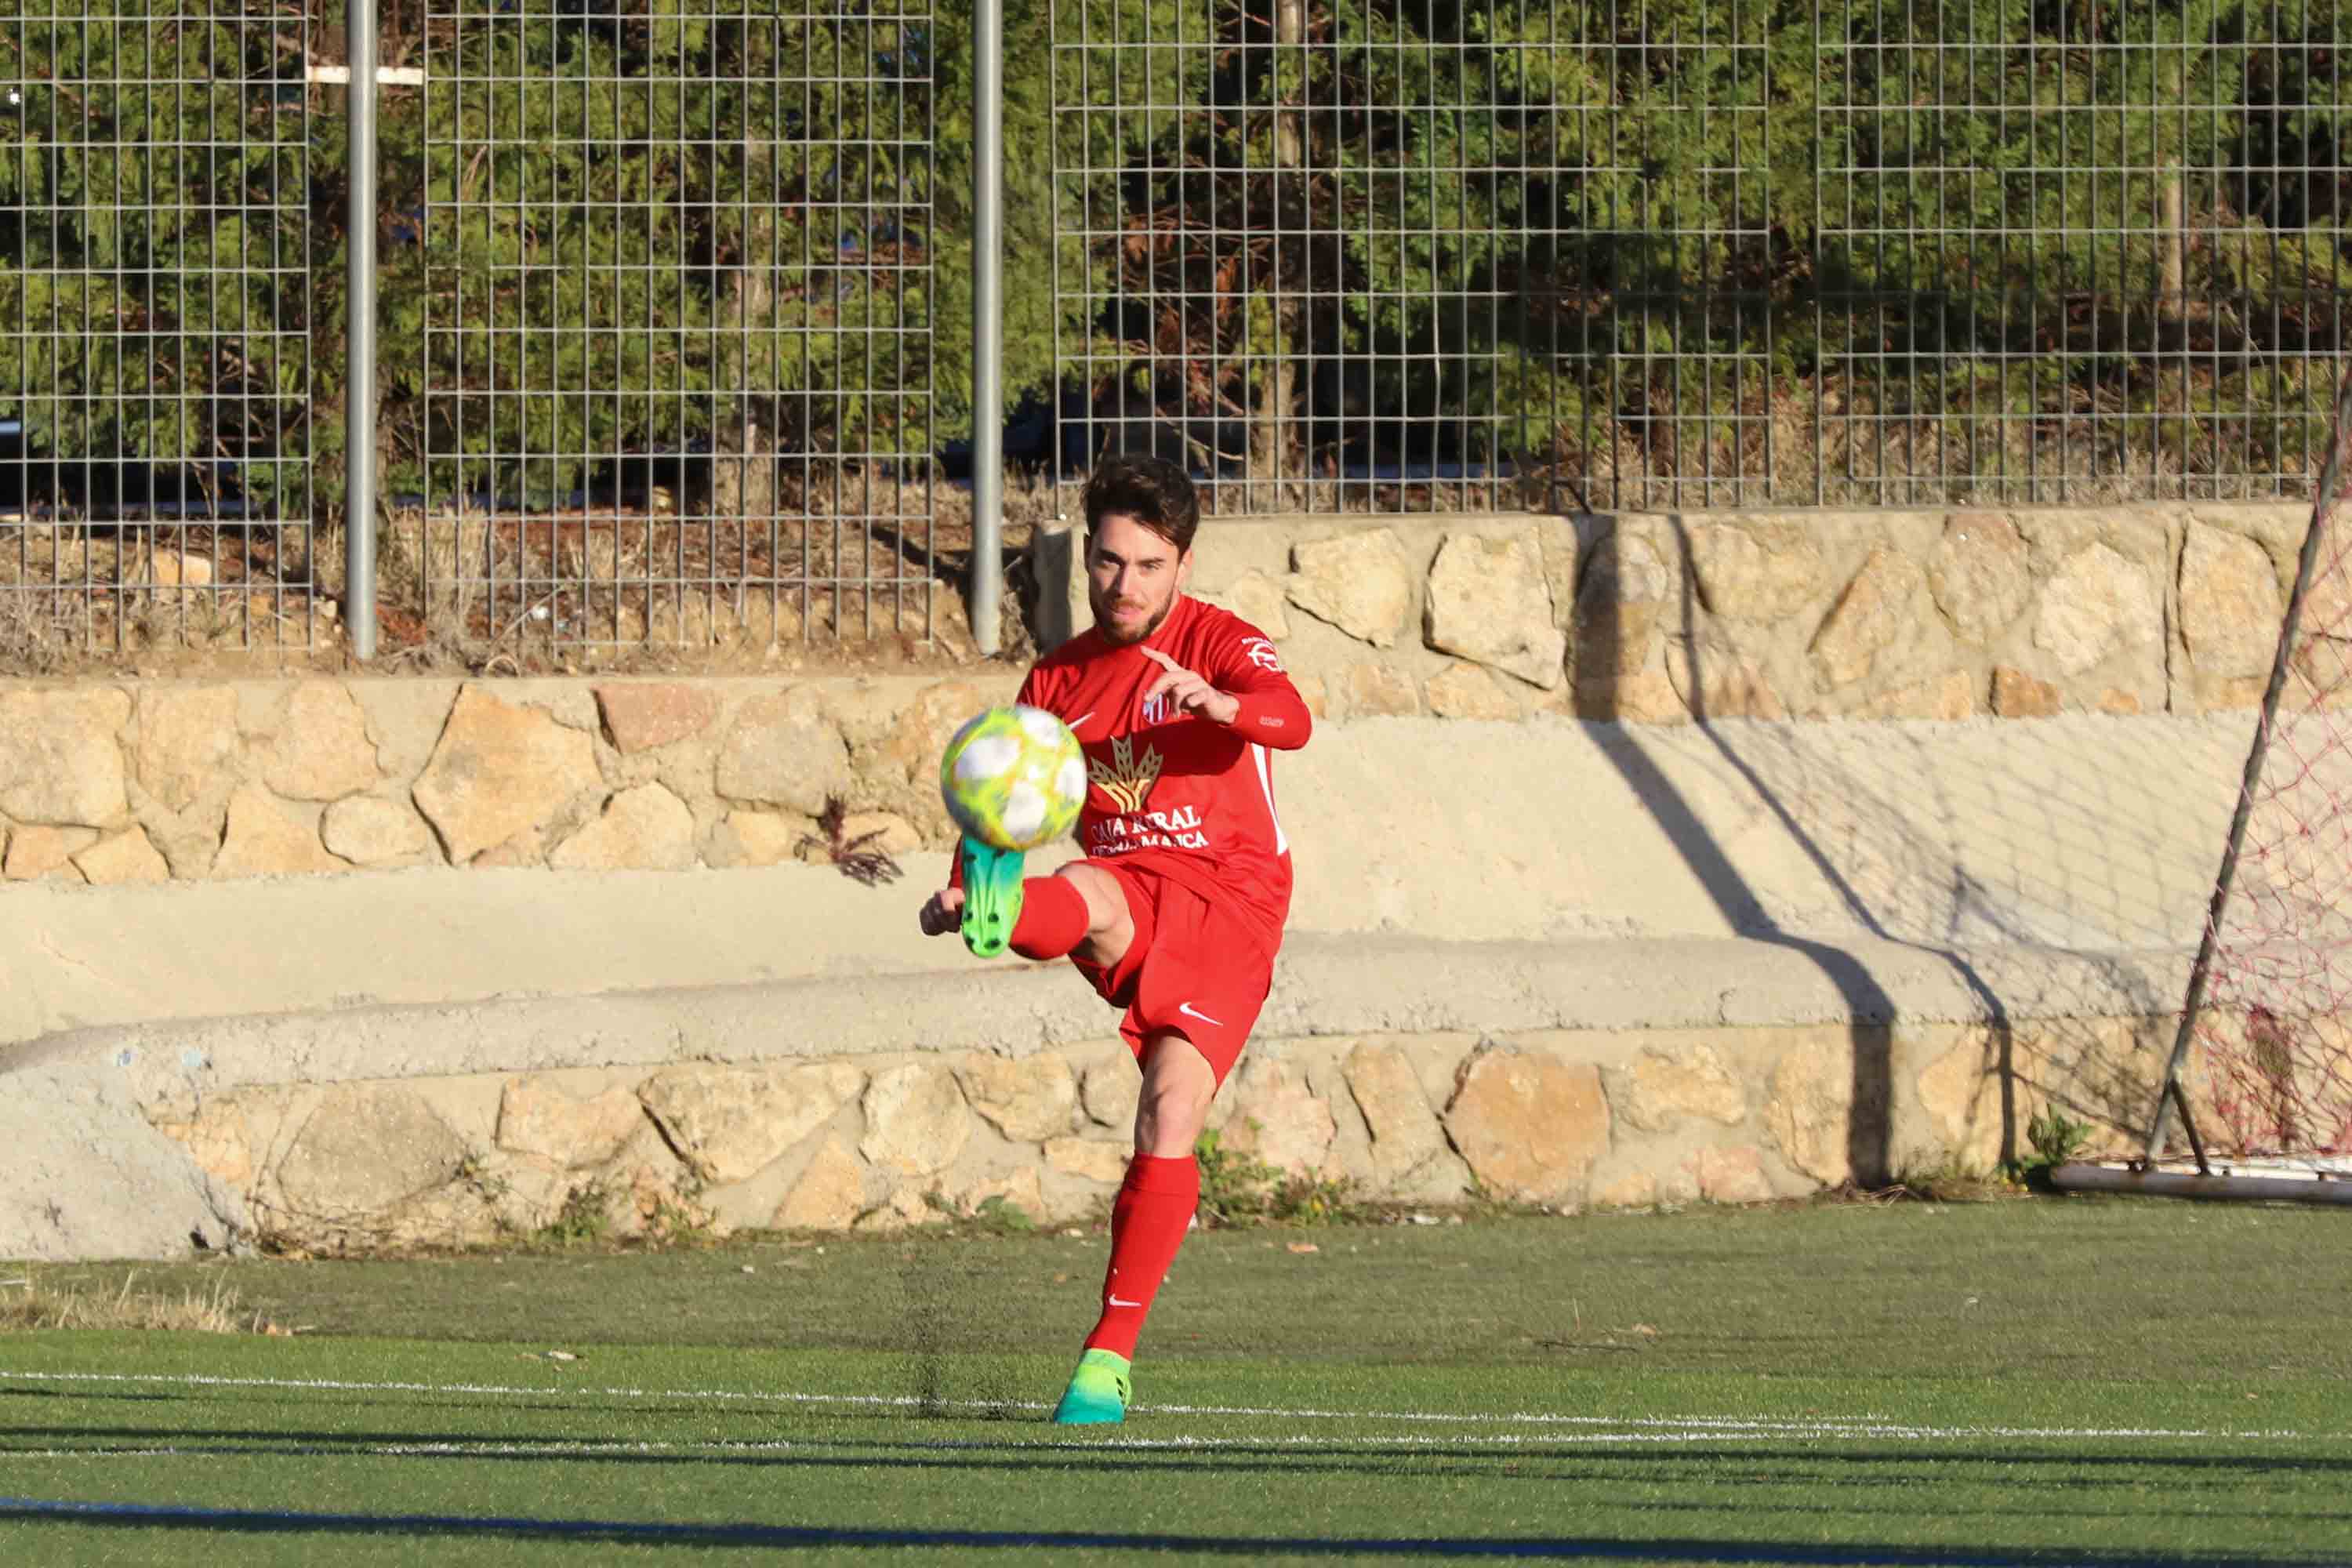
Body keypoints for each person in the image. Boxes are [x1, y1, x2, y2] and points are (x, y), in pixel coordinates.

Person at [919, 451, 1312, 1425]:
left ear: (1180, 561)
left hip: (1231, 901)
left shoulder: (1222, 640)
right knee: (1086, 889)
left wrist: (1225, 707)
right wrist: (968, 882)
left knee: (1170, 1115)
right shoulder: (1056, 676)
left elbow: (1293, 719)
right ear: (1085, 557)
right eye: (1106, 562)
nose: (1123, 584)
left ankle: (1107, 1357)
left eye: (1146, 565)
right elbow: (1004, 796)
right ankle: (1006, 912)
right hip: (1128, 886)